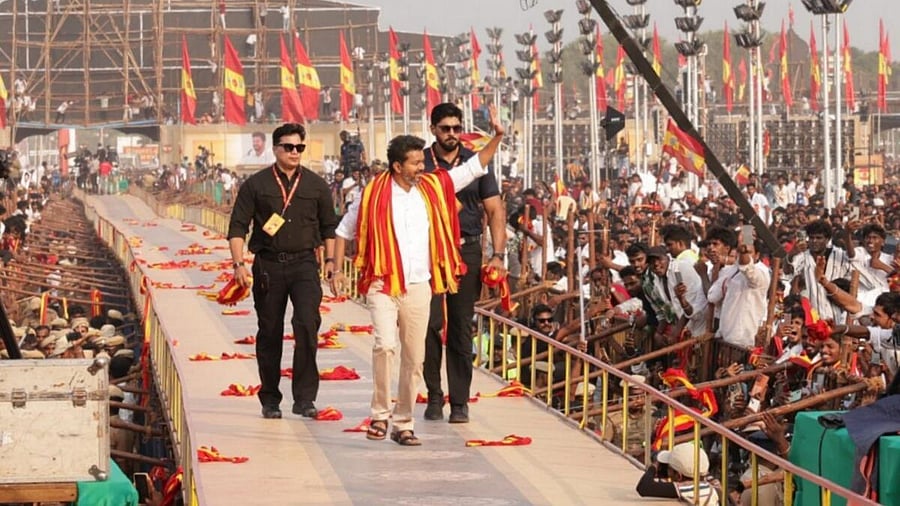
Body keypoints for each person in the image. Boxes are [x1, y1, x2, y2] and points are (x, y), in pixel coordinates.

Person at [330, 105, 505, 446]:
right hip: (382, 283)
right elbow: (342, 231)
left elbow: (475, 166)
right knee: (384, 346)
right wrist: (336, 269)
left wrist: (497, 136)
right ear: (398, 166)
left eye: (422, 163)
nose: (422, 167)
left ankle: (403, 422)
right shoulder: (371, 194)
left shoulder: (434, 187)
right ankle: (380, 414)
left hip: (419, 285)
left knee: (415, 357)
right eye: (415, 163)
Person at [227, 123, 338, 420]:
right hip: (268, 265)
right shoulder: (257, 185)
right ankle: (270, 398)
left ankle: (304, 398)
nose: (294, 153)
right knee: (270, 331)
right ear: (275, 149)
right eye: (288, 147)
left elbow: (330, 226)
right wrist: (238, 264)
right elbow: (237, 227)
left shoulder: (315, 185)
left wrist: (330, 262)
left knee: (307, 325)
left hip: (304, 264)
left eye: (299, 148)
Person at [422, 102, 507, 424]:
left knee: (460, 327)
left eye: (457, 128)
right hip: (430, 253)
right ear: (433, 130)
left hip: (466, 250)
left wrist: (498, 256)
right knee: (430, 324)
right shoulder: (422, 163)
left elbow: (495, 210)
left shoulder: (476, 162)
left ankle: (459, 402)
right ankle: (433, 395)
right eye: (446, 128)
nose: (452, 134)